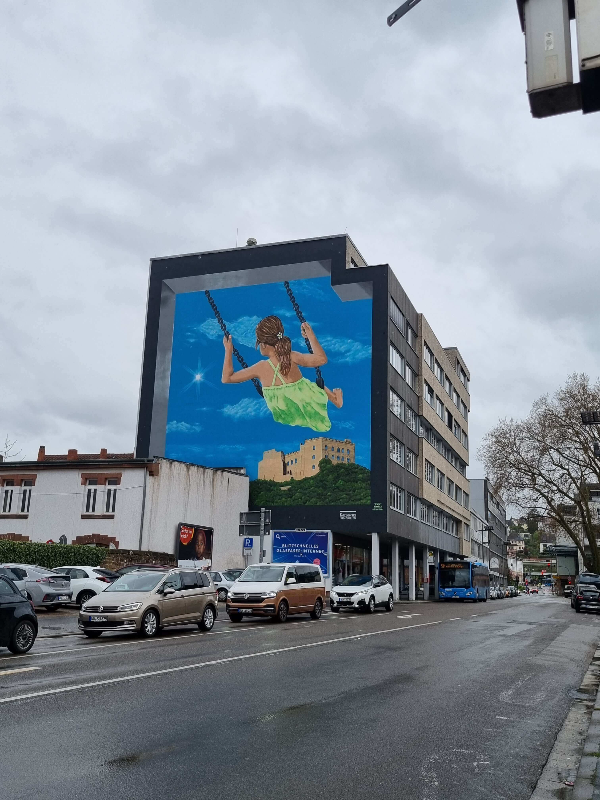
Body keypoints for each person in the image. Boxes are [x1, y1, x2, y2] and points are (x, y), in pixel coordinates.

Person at [222, 315, 342, 432]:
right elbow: (322, 359)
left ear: (263, 344)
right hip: (306, 403)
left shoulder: (260, 367)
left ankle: (335, 400)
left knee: (311, 387)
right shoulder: (292, 356)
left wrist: (228, 350)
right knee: (316, 387)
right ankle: (336, 400)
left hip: (285, 413)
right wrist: (310, 335)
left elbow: (227, 378)